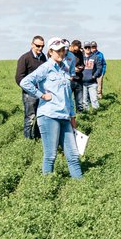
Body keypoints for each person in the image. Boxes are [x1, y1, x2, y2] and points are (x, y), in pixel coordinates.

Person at [19, 38, 82, 178]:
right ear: (51, 51)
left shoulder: (65, 69)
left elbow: (68, 96)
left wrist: (72, 116)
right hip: (49, 116)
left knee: (73, 156)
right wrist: (41, 95)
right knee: (50, 155)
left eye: (63, 50)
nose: (61, 53)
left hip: (64, 117)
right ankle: (45, 186)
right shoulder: (46, 68)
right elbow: (25, 82)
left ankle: (81, 185)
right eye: (58, 50)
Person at [15, 35, 46, 138]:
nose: (40, 48)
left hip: (41, 93)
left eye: (42, 46)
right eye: (38, 46)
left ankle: (37, 137)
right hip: (30, 94)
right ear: (32, 45)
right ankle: (27, 140)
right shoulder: (25, 58)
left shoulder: (43, 57)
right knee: (30, 118)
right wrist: (30, 89)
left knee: (40, 117)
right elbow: (19, 78)